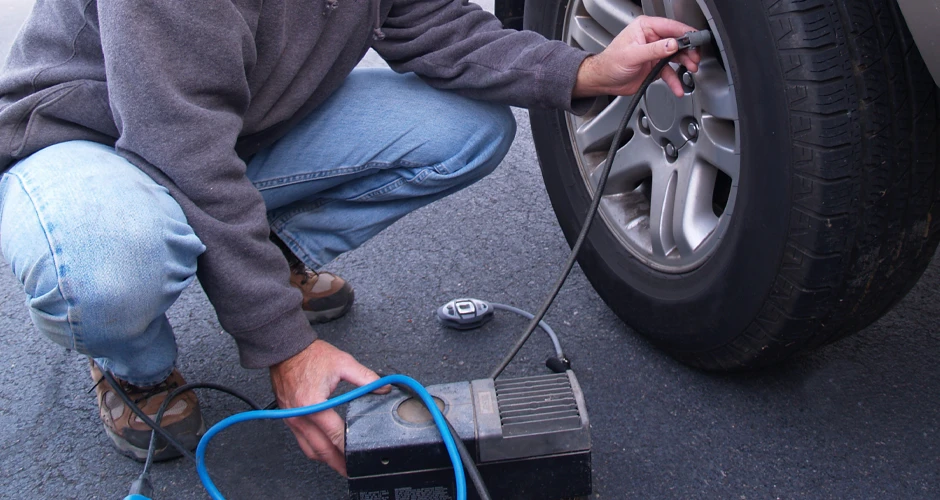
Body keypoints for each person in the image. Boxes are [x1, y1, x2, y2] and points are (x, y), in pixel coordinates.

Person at [0, 0, 700, 476]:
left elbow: (432, 24)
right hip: (92, 145)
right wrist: (285, 349)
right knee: (105, 267)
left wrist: (585, 70)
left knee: (466, 130)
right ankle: (134, 363)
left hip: (232, 125)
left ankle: (258, 265)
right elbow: (179, 147)